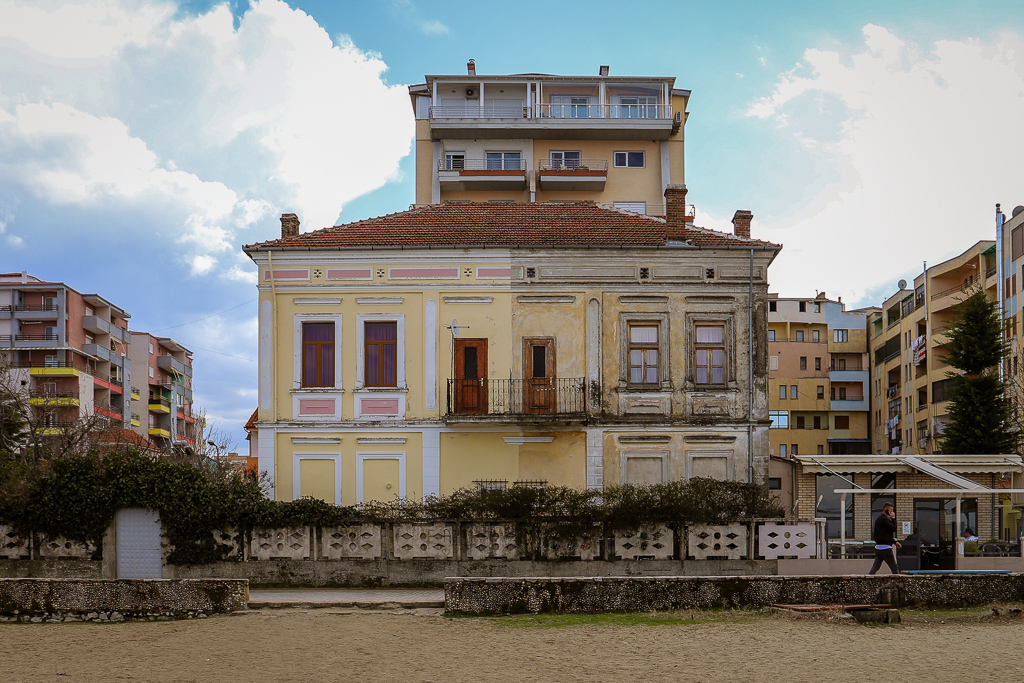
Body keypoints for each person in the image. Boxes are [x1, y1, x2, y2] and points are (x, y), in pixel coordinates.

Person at [868, 502, 901, 575]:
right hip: (885, 548)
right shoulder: (884, 520)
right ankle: (898, 582)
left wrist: (894, 542)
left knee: (876, 566)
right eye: (891, 510)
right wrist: (893, 518)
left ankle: (869, 579)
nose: (892, 512)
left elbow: (885, 534)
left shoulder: (879, 519)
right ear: (886, 510)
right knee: (894, 566)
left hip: (879, 547)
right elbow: (893, 528)